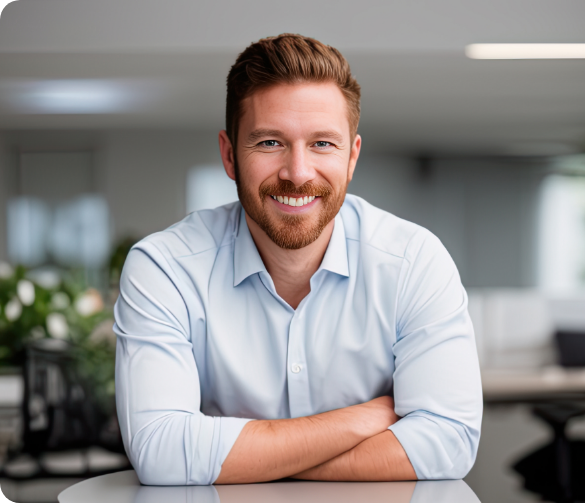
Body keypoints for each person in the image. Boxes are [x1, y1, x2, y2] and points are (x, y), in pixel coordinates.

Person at [113, 34, 482, 486]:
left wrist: (247, 459)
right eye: (270, 143)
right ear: (230, 156)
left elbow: (449, 442)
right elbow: (161, 452)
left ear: (352, 157)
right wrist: (362, 419)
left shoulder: (413, 261)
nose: (298, 173)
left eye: (323, 144)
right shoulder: (164, 268)